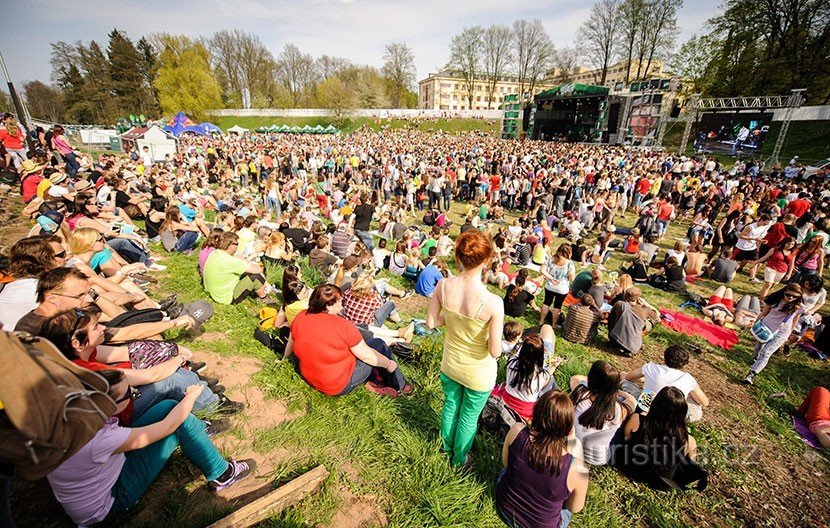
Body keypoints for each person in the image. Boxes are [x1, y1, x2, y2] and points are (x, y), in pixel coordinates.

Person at [46, 369, 255, 526]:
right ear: (108, 405)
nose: (135, 394)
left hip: (94, 481)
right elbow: (168, 426)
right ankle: (223, 473)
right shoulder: (98, 439)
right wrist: (191, 395)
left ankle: (197, 433)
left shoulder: (69, 417)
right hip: (111, 501)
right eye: (130, 395)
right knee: (180, 423)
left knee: (167, 407)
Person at [427, 229, 505, 466]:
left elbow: (431, 322)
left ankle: (446, 448)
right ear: (487, 260)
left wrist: (452, 317)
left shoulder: (443, 285)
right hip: (478, 373)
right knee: (468, 417)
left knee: (451, 406)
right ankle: (459, 459)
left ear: (458, 257)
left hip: (450, 364)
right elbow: (495, 351)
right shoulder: (493, 302)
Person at [285, 284, 411, 397]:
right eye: (340, 302)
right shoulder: (343, 325)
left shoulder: (300, 316)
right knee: (378, 345)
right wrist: (389, 364)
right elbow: (367, 356)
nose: (342, 304)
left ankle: (376, 380)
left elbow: (291, 342)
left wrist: (284, 358)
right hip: (337, 385)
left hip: (310, 376)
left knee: (369, 344)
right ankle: (401, 385)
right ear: (329, 306)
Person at [495, 391, 589, 528]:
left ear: (537, 413)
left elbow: (506, 464)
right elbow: (574, 507)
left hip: (504, 506)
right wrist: (573, 443)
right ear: (568, 428)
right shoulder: (577, 469)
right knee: (565, 510)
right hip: (541, 524)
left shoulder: (517, 431)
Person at [612, 387, 699, 490]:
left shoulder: (636, 420)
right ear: (682, 412)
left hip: (630, 469)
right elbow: (689, 465)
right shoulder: (689, 441)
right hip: (661, 484)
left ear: (654, 404)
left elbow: (626, 439)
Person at [569, 361, 636, 466]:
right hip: (597, 459)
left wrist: (587, 380)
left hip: (571, 447)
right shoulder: (618, 410)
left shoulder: (581, 393)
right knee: (622, 423)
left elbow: (574, 378)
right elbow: (632, 401)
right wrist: (618, 392)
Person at [623, 345, 709, 422]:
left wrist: (645, 379)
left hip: (646, 404)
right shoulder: (688, 379)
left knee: (623, 376)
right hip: (672, 413)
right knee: (697, 406)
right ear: (684, 363)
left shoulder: (651, 368)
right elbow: (704, 402)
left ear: (665, 357)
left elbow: (628, 377)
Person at [491, 327, 557, 422]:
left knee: (546, 330)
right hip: (526, 411)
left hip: (507, 400)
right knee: (547, 329)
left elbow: (519, 355)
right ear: (540, 355)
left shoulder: (511, 363)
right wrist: (554, 366)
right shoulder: (541, 376)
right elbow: (548, 375)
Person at [745, 284, 805, 384]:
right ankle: (756, 359)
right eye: (788, 295)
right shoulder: (774, 300)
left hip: (782, 332)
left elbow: (795, 320)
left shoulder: (799, 307)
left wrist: (789, 333)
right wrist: (755, 325)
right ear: (784, 292)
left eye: (795, 297)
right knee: (759, 348)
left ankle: (752, 373)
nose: (791, 298)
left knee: (766, 352)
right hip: (766, 327)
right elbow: (763, 313)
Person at [203, 231, 273, 305]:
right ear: (231, 246)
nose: (238, 246)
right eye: (237, 244)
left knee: (246, 272)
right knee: (255, 277)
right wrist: (244, 259)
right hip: (226, 298)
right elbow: (258, 269)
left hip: (213, 292)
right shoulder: (230, 260)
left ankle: (265, 288)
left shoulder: (215, 253)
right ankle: (264, 298)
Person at [540, 244, 575, 327]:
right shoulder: (570, 263)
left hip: (550, 285)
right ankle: (554, 324)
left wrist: (551, 278)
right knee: (557, 306)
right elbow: (572, 278)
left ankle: (541, 321)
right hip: (562, 288)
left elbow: (542, 270)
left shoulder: (551, 258)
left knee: (546, 303)